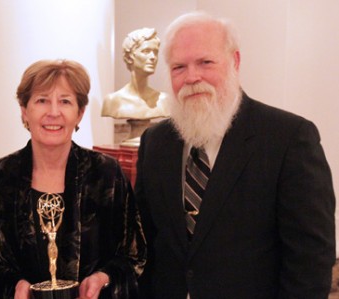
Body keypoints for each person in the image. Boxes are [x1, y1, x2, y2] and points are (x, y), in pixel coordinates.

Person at [135, 11, 335, 298]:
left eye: (205, 62)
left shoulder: (289, 138)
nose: (192, 77)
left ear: (235, 61)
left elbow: (311, 258)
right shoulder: (155, 142)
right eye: (179, 67)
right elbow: (147, 243)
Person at [0, 59, 146, 299]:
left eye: (65, 101)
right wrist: (14, 286)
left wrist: (102, 279)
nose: (53, 112)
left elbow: (134, 255)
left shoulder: (107, 175)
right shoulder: (0, 177)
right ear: (24, 110)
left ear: (80, 113)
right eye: (42, 100)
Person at [101, 27, 168, 121]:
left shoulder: (163, 100)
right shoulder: (113, 101)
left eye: (155, 52)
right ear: (129, 57)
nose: (153, 57)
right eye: (146, 51)